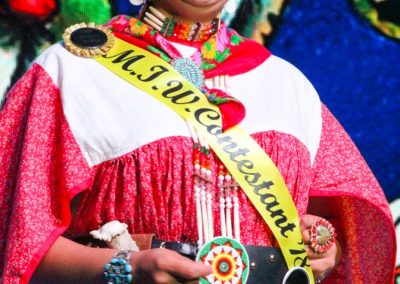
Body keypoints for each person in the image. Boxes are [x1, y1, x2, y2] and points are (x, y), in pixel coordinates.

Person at [0, 0, 396, 283]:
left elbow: (348, 233)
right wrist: (126, 270)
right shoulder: (71, 70)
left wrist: (323, 246)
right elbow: (16, 240)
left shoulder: (286, 83)